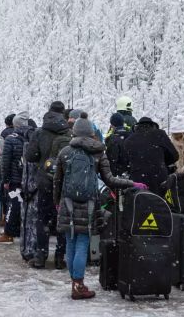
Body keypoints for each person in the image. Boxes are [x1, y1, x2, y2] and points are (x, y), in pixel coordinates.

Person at [54, 117, 144, 300]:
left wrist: (57, 201)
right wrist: (132, 183)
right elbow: (110, 180)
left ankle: (76, 283)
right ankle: (78, 285)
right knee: (82, 243)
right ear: (91, 133)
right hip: (88, 204)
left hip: (68, 202)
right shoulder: (98, 153)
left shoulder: (65, 152)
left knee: (71, 242)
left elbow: (57, 181)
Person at [25, 101, 72, 269]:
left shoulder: (39, 132)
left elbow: (30, 156)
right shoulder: (69, 133)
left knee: (42, 218)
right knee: (62, 218)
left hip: (45, 180)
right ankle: (60, 257)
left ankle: (40, 256)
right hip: (63, 182)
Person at [0, 111, 33, 244]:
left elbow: (6, 162)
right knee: (28, 207)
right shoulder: (33, 137)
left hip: (15, 180)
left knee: (13, 205)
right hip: (30, 179)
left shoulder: (11, 139)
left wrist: (6, 180)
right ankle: (25, 232)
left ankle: (8, 233)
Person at [122, 116, 178, 194]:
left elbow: (125, 161)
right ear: (153, 126)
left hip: (138, 180)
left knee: (140, 202)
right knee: (161, 203)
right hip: (159, 177)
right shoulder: (160, 134)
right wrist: (161, 162)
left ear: (137, 127)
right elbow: (174, 155)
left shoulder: (129, 140)